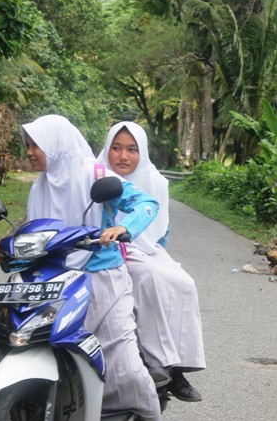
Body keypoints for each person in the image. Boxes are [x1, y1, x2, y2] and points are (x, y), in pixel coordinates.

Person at [0, 115, 163, 420]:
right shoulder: (39, 187)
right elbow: (35, 234)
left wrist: (123, 227)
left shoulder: (95, 174)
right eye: (27, 145)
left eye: (35, 145)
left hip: (101, 280)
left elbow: (146, 203)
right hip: (49, 282)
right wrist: (6, 248)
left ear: (56, 145)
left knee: (125, 368)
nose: (29, 152)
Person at [97, 121, 206, 402]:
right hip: (110, 250)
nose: (123, 156)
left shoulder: (156, 181)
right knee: (148, 276)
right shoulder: (96, 175)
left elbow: (162, 227)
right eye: (117, 148)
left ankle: (178, 366)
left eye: (132, 149)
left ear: (142, 152)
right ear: (107, 149)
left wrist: (158, 253)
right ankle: (160, 362)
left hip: (148, 247)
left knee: (184, 283)